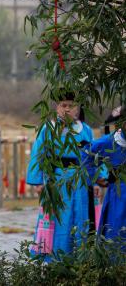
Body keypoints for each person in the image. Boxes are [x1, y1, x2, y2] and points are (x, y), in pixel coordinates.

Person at [27, 90, 94, 260]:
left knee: (79, 216)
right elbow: (37, 154)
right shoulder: (48, 129)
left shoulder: (85, 130)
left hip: (79, 182)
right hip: (55, 181)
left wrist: (99, 180)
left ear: (77, 109)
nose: (67, 109)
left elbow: (95, 156)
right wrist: (37, 182)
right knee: (58, 220)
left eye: (71, 106)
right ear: (57, 107)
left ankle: (80, 259)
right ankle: (55, 258)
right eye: (63, 105)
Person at [81, 106, 126, 243]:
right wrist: (96, 178)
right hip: (119, 195)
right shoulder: (109, 142)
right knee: (117, 231)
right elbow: (86, 156)